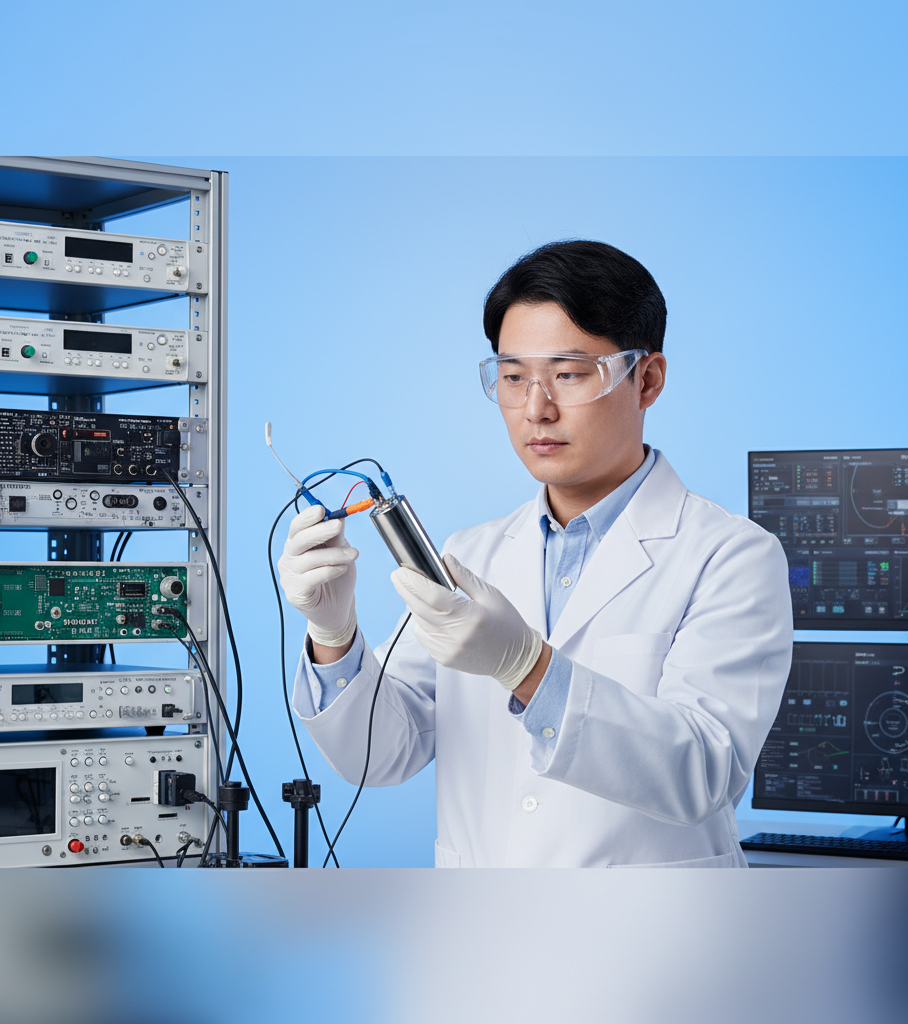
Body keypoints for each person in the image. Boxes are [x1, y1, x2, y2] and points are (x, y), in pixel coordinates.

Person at [279, 240, 792, 867]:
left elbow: (704, 773)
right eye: (514, 377)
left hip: (652, 940)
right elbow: (381, 755)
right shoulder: (471, 553)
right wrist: (334, 635)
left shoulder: (732, 557)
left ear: (648, 379)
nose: (535, 408)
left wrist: (527, 666)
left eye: (570, 375)